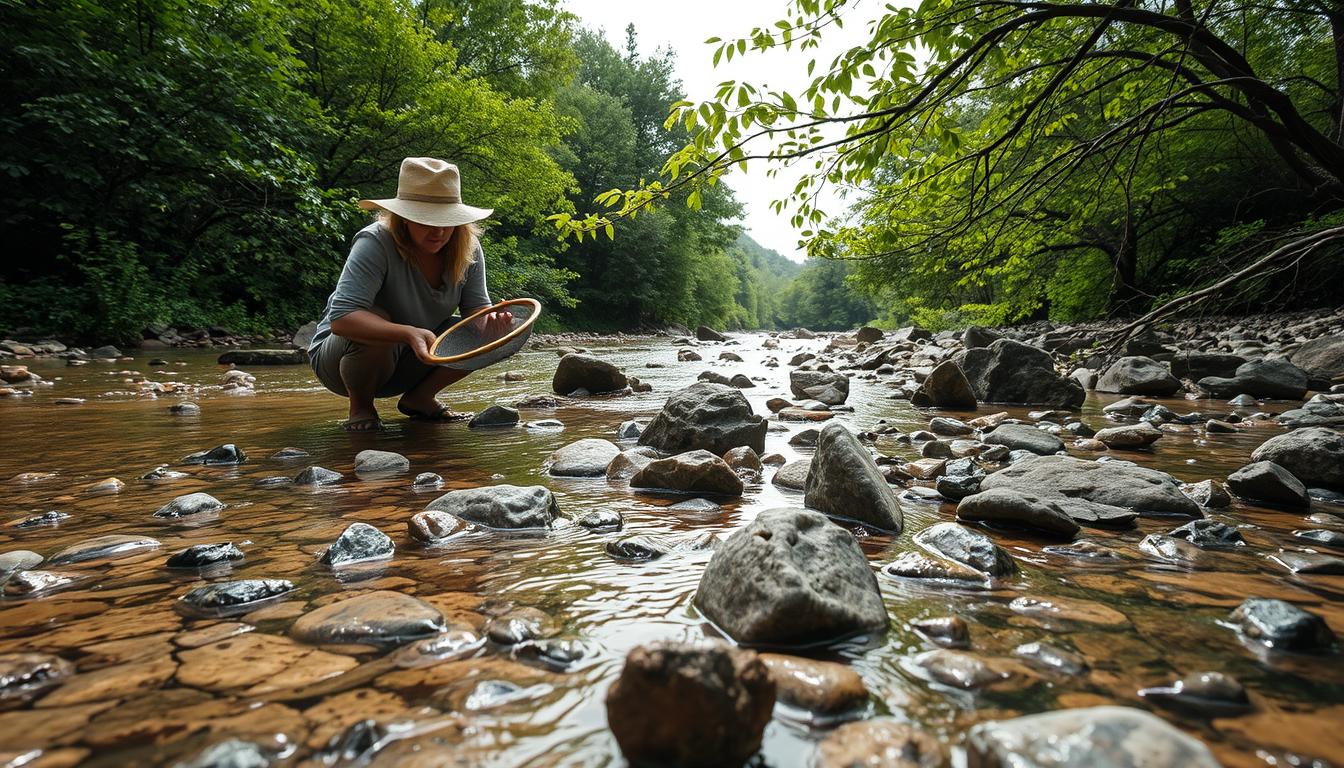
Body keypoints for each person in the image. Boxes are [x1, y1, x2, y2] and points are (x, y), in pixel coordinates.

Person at [310, 157, 511, 431]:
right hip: (340, 362)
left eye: (448, 221)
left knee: (486, 335)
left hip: (411, 358)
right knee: (376, 316)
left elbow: (476, 311)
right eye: (427, 220)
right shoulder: (375, 242)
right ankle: (361, 407)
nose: (439, 231)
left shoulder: (468, 247)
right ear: (403, 218)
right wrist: (407, 333)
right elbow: (342, 319)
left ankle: (420, 397)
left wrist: (493, 327)